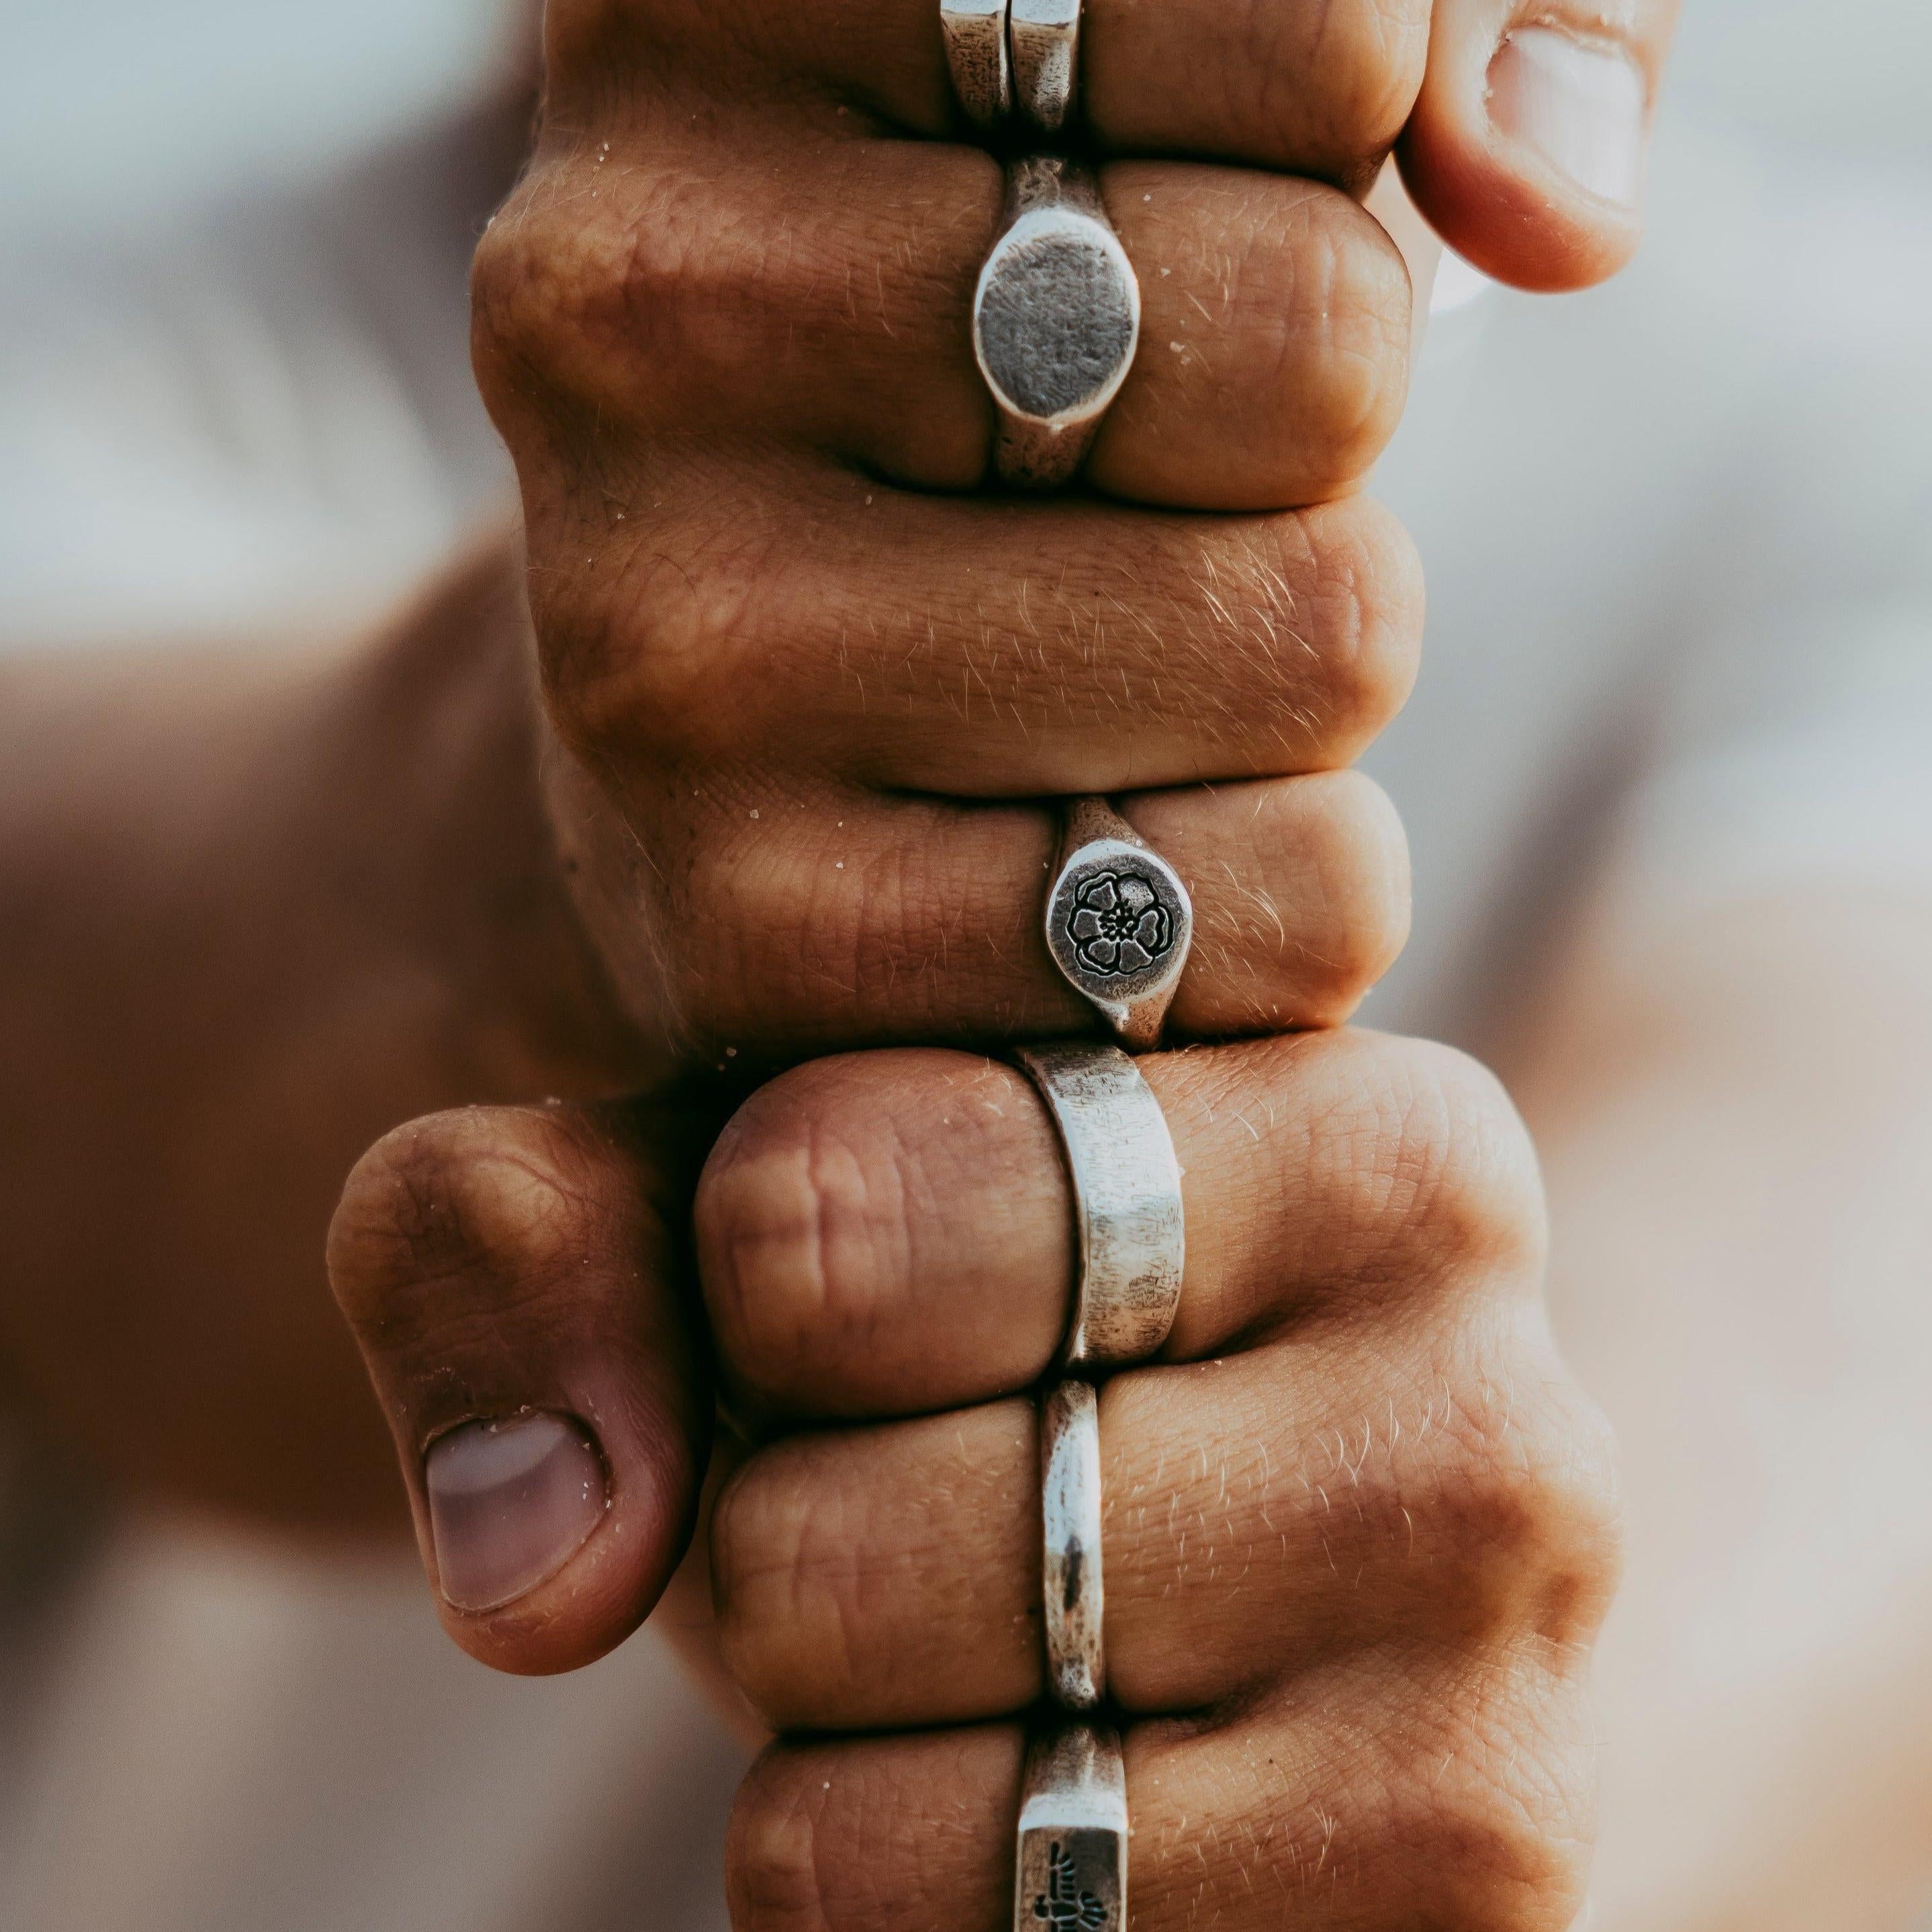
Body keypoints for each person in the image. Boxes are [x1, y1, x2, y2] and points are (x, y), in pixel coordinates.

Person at [5, 2, 1932, 1929]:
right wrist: (579, 845)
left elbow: (1843, 1343)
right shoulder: (80, 301)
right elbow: (89, 981)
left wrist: (1459, 1784)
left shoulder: (1843, 425)